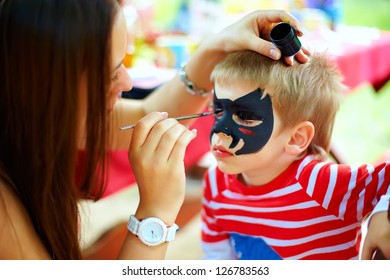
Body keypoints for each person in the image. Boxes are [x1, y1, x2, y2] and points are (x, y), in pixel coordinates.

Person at [0, 0, 309, 260]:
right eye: (109, 74)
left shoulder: (29, 115)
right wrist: (155, 213)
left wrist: (218, 45)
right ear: (46, 88)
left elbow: (150, 113)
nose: (127, 83)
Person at [200, 50, 390, 260]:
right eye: (218, 111)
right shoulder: (216, 183)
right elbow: (218, 257)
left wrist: (385, 209)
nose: (220, 129)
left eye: (245, 117)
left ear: (296, 138)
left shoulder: (326, 185)